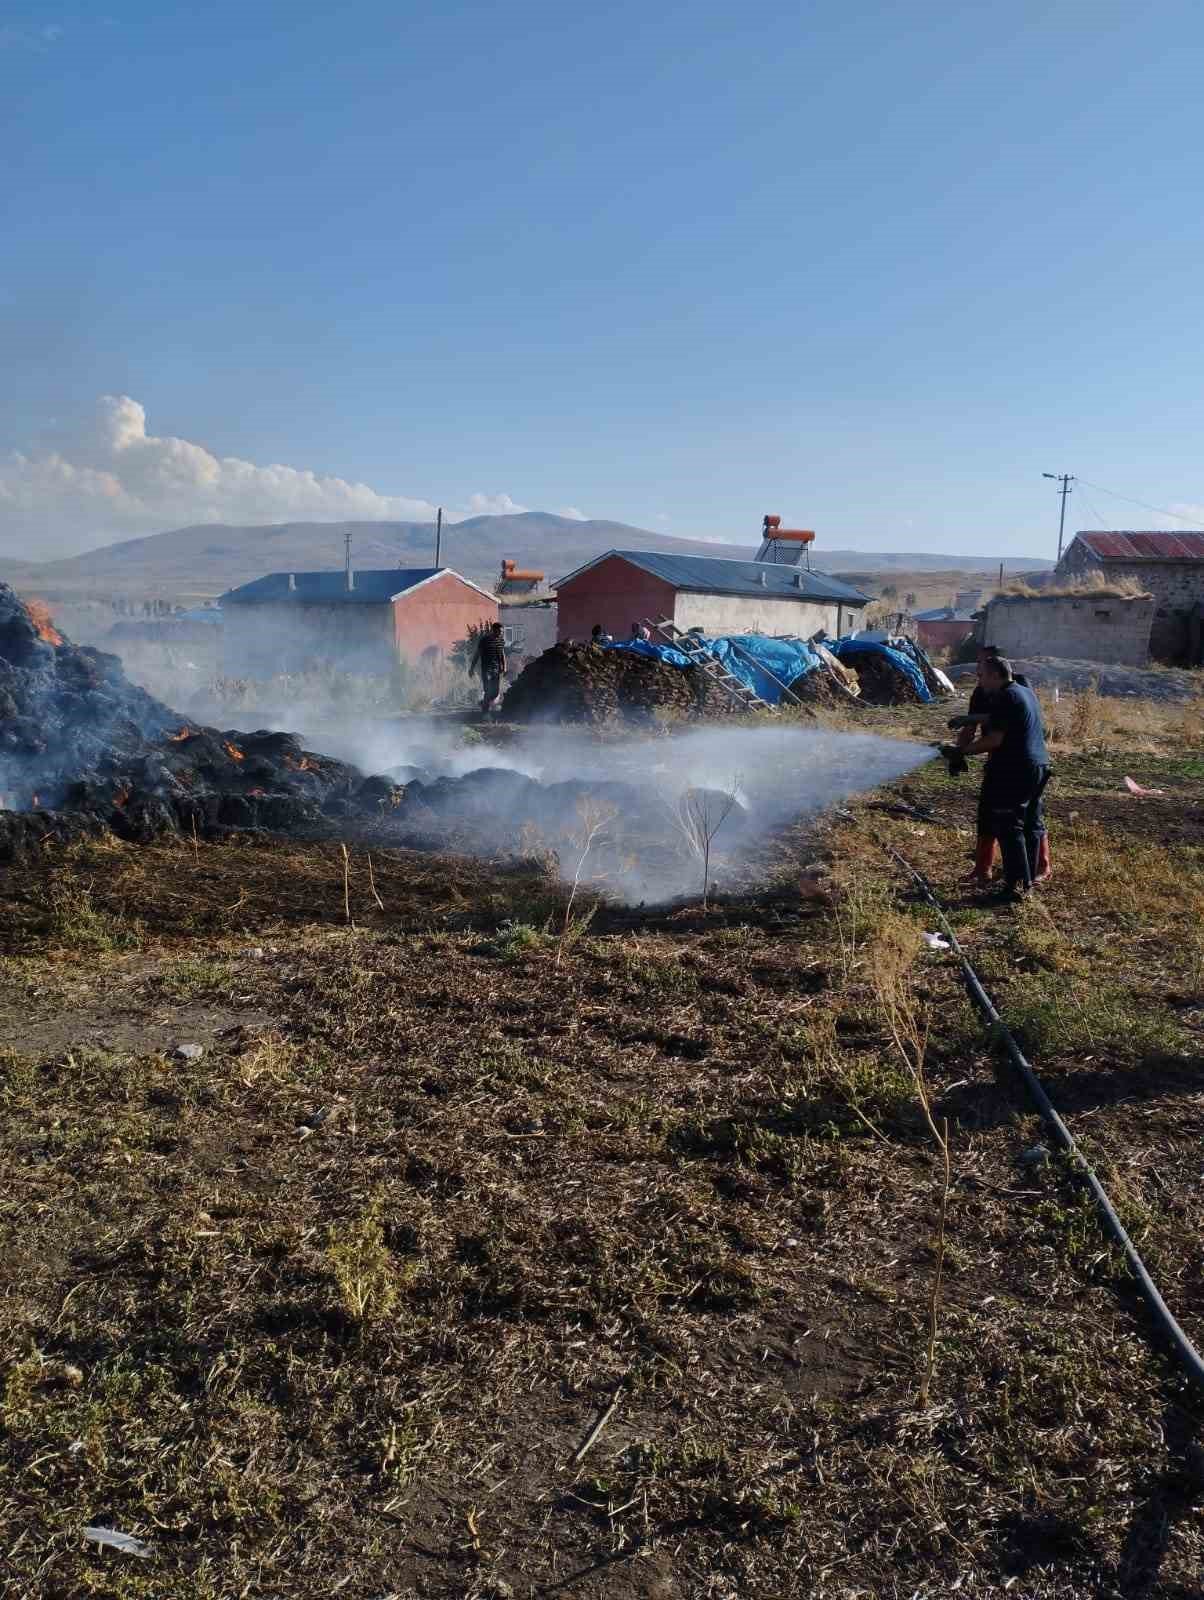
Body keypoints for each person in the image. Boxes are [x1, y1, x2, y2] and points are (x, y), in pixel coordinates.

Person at [951, 656, 1051, 901]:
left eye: (982, 675)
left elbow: (994, 740)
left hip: (1014, 768)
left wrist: (961, 752)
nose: (979, 681)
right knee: (1027, 825)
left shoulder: (1006, 697)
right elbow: (999, 719)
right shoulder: (1022, 691)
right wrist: (971, 719)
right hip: (1037, 766)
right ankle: (1025, 882)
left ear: (995, 675)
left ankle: (1015, 888)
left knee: (1009, 827)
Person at [470, 621, 507, 714]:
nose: (501, 633)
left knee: (495, 693)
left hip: (496, 669)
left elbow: (502, 654)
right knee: (487, 690)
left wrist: (504, 667)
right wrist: (472, 668)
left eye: (502, 632)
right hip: (486, 669)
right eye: (499, 631)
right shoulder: (484, 640)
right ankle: (485, 712)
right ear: (493, 630)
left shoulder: (500, 640)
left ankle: (484, 703)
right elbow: (477, 654)